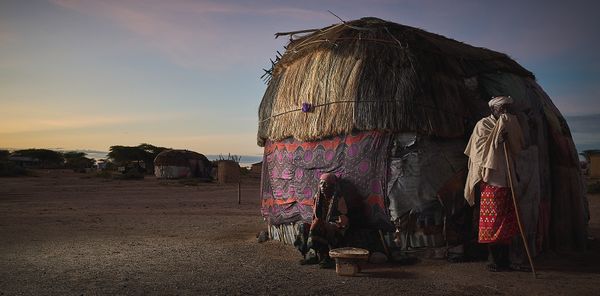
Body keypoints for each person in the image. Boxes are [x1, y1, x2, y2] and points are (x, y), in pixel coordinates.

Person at [464, 96, 525, 272]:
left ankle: (505, 261)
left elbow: (517, 147)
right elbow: (478, 151)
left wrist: (508, 136)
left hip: (508, 180)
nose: (506, 112)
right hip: (492, 181)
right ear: (493, 110)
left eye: (508, 108)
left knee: (507, 222)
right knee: (492, 222)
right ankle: (494, 260)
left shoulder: (511, 124)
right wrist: (497, 140)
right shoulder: (483, 125)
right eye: (502, 109)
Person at [302, 173, 349, 268]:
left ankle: (327, 258)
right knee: (302, 227)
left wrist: (327, 224)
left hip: (335, 226)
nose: (322, 186)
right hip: (319, 224)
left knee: (321, 225)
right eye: (321, 183)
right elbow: (315, 216)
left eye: (325, 184)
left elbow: (343, 220)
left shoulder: (339, 199)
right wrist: (317, 223)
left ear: (332, 185)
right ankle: (312, 255)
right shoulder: (318, 197)